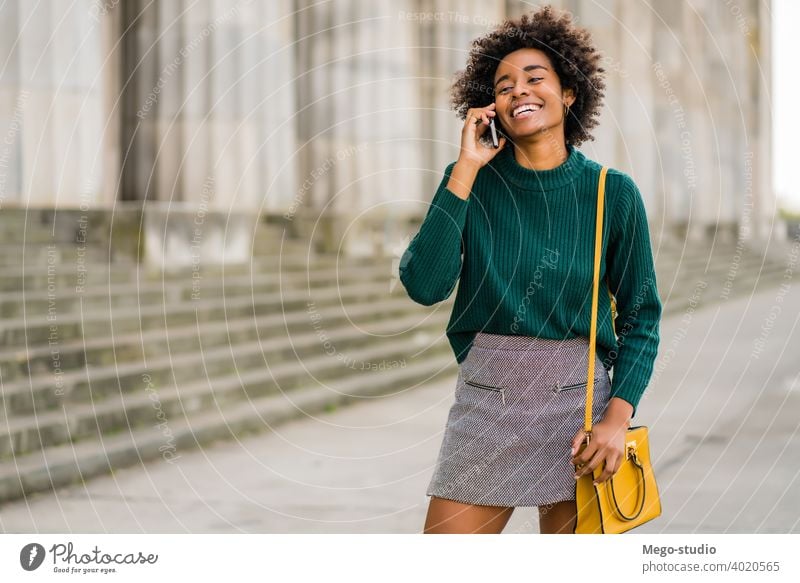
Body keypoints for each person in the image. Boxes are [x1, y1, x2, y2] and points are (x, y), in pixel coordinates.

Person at [398, 6, 662, 534]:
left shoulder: (613, 193)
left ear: (568, 94)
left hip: (578, 411)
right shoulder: (470, 180)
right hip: (486, 399)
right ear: (490, 106)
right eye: (503, 85)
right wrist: (468, 167)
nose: (519, 90)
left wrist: (616, 419)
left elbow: (641, 318)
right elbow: (425, 286)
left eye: (534, 78)